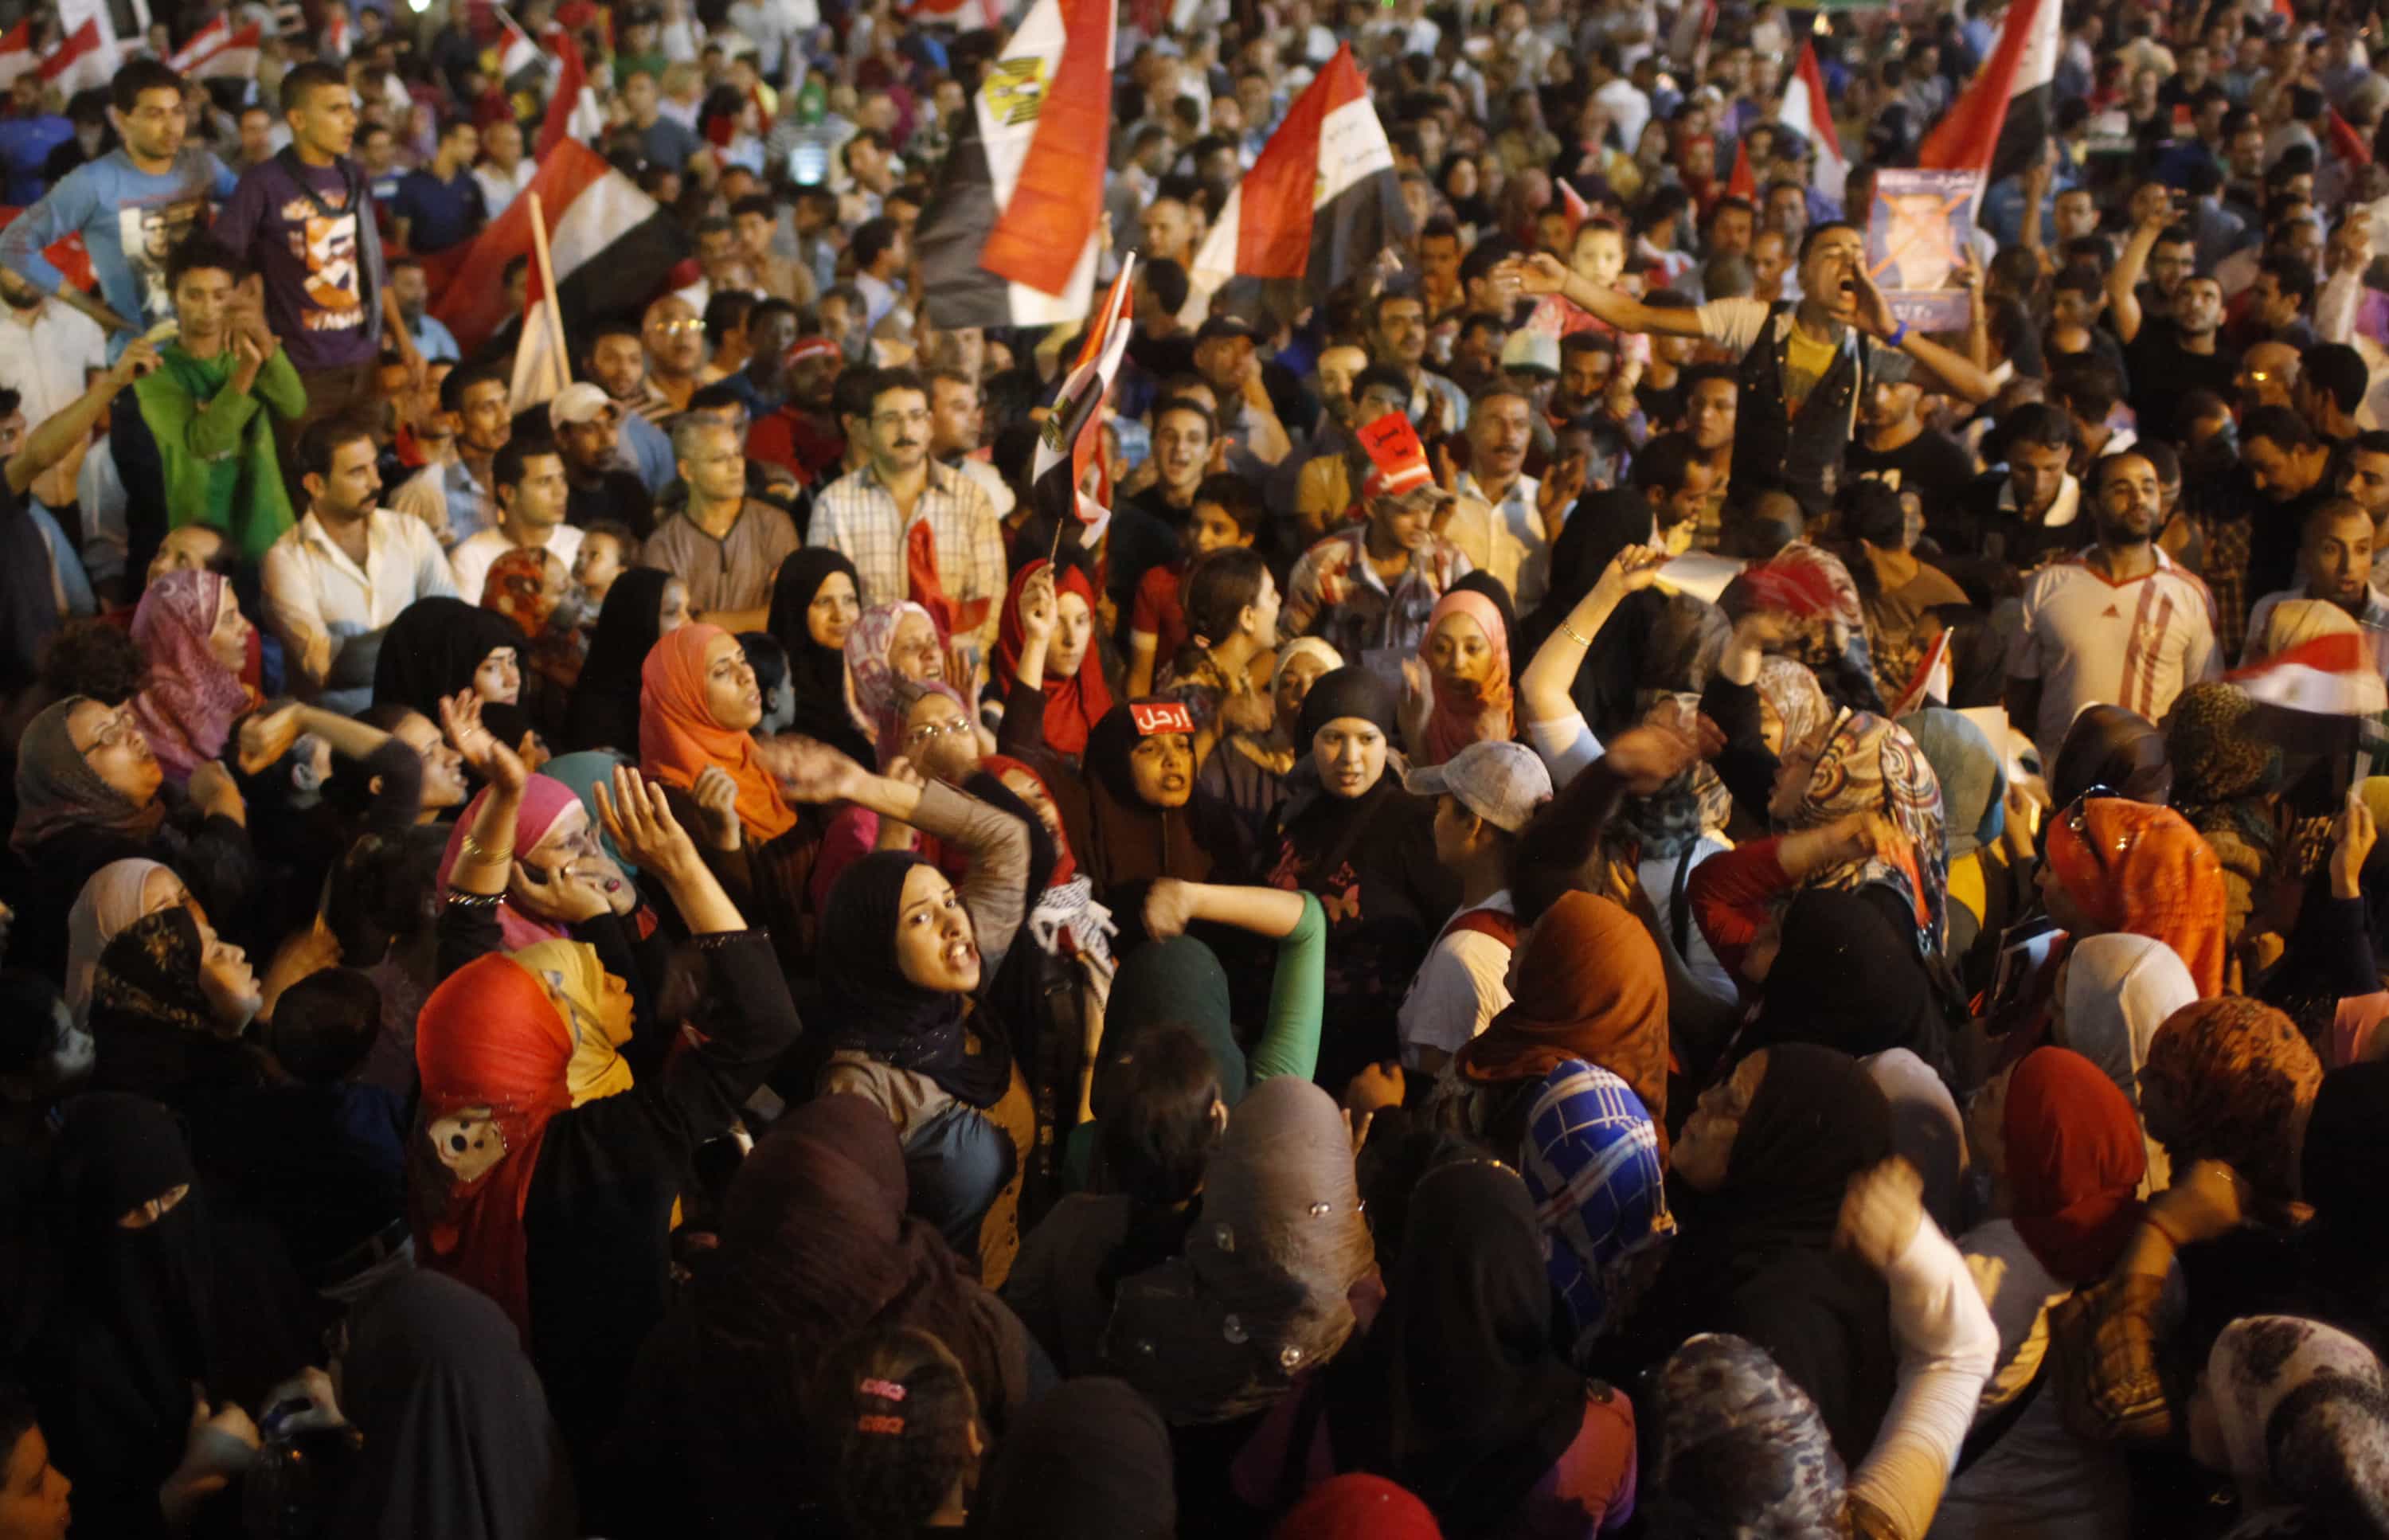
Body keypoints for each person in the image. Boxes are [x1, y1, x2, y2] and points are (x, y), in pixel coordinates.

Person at [414, 756, 799, 1462]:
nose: (600, 970)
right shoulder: (603, 1147)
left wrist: (506, 797)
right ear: (538, 1041)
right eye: (571, 984)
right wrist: (678, 868)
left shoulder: (461, 1113)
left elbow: (467, 919)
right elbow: (764, 1022)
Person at [1502, 228, 1996, 517]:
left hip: (1819, 522)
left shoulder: (1868, 345)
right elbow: (1636, 317)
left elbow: (1977, 387)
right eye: (1833, 254)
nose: (1850, 262)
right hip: (1746, 514)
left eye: (1857, 255)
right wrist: (1565, 280)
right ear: (1801, 275)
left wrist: (1892, 329)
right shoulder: (1756, 320)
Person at [211, 62, 422, 451]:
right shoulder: (264, 182)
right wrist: (245, 316)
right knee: (306, 476)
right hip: (300, 368)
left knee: (362, 473)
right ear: (297, 119)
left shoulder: (354, 176)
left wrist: (404, 340)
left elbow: (374, 267)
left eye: (350, 108)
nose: (350, 121)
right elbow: (221, 259)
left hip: (363, 360)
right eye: (335, 110)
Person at [1262, 666, 1453, 1092]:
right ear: (1311, 742)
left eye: (1367, 739)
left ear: (1387, 744)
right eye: (1333, 738)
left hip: (1376, 1069)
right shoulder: (1290, 822)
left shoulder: (1413, 824)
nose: (1350, 757)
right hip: (1294, 1054)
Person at [0, 60, 237, 345]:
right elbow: (13, 244)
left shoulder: (203, 166)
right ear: (121, 119)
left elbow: (259, 210)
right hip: (143, 359)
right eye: (154, 114)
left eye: (178, 112)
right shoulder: (93, 182)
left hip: (212, 348)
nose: (171, 127)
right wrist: (91, 310)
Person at [2008, 450, 2220, 764]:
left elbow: (2203, 706)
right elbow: (2019, 697)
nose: (2138, 499)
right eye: (2121, 489)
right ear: (2092, 503)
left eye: (2148, 488)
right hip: (2059, 785)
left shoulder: (2189, 595)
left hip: (2146, 788)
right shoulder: (2050, 585)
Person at [262, 417, 462, 714]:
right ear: (316, 484)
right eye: (358, 472)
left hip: (422, 717)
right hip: (342, 731)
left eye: (374, 466)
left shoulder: (411, 532)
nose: (376, 482)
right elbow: (325, 669)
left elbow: (454, 629)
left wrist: (354, 650)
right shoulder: (286, 559)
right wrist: (420, 634)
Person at [814, 368, 1007, 658]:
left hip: (955, 677)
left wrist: (950, 671)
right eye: (891, 420)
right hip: (865, 677)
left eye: (916, 417)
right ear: (866, 430)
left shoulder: (971, 499)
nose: (906, 431)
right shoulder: (834, 504)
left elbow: (989, 602)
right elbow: (829, 609)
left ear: (929, 425)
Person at [1282, 413, 1474, 666]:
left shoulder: (1450, 563)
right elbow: (1288, 644)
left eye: (1428, 507)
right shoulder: (1323, 563)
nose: (1422, 522)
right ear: (1372, 507)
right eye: (1406, 510)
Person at [643, 413, 799, 633]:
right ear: (687, 471)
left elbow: (790, 613)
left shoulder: (773, 524)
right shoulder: (665, 544)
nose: (736, 467)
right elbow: (670, 630)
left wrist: (706, 620)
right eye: (719, 459)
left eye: (737, 455)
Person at [124, 568, 256, 785]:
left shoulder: (242, 703)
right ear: (185, 640)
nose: (247, 627)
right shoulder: (139, 749)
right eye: (229, 619)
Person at [764, 548, 874, 766]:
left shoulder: (876, 677)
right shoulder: (776, 693)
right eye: (824, 602)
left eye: (849, 600)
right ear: (796, 609)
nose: (840, 615)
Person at [563, 569, 687, 755]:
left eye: (689, 611)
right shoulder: (599, 718)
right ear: (637, 621)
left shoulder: (684, 682)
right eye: (672, 612)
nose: (690, 623)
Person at [448, 437, 584, 604]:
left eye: (562, 479)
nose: (560, 492)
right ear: (508, 494)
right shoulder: (471, 558)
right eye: (545, 482)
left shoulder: (582, 546)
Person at [389, 115, 485, 255]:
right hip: (425, 266)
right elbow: (401, 241)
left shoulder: (471, 184)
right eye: (469, 142)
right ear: (448, 142)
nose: (475, 149)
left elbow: (481, 230)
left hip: (464, 267)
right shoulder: (411, 184)